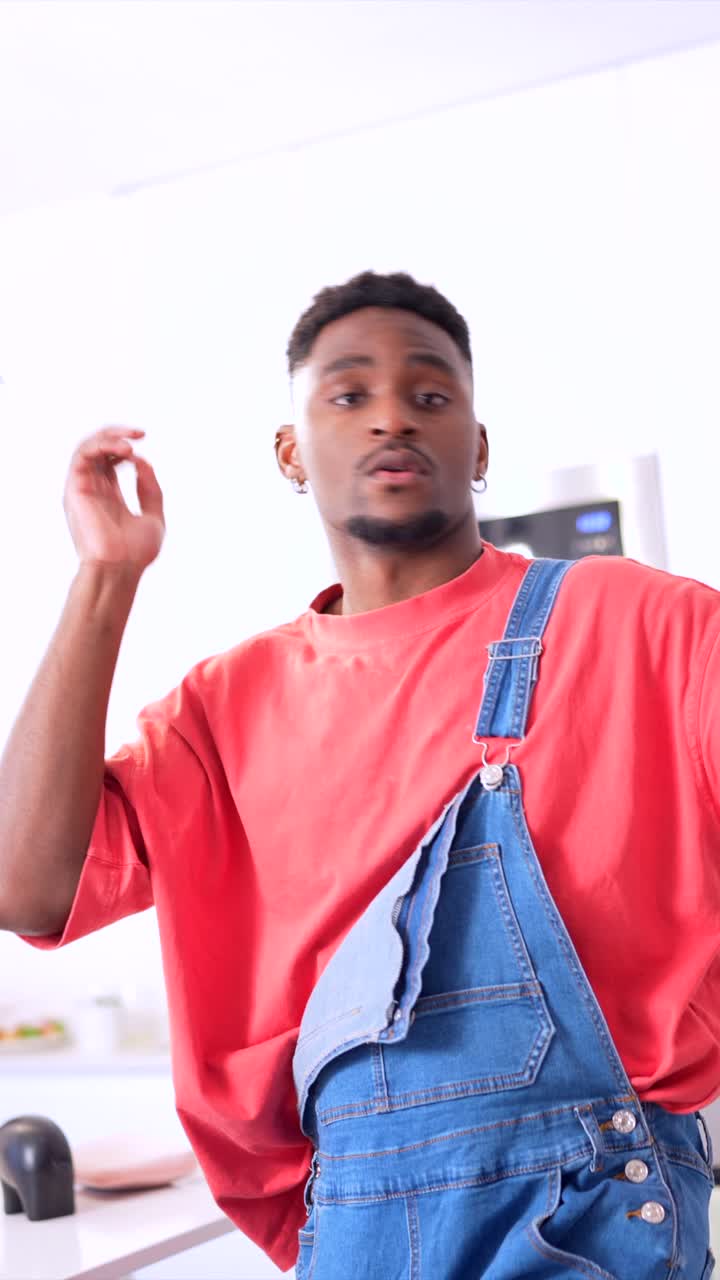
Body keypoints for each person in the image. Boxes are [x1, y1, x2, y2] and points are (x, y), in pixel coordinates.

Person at [0, 270, 719, 1279]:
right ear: (291, 451)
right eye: (348, 394)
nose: (392, 414)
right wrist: (106, 575)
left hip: (593, 1210)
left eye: (432, 395)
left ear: (476, 447)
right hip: (350, 1224)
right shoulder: (223, 703)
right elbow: (25, 882)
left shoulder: (644, 625)